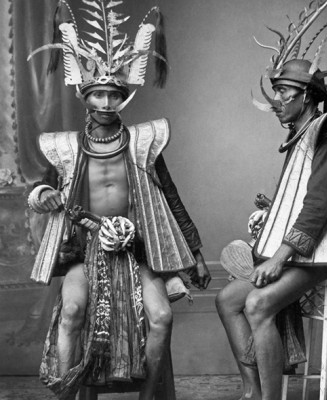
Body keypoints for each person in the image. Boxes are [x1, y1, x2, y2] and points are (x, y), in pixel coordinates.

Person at [27, 2, 210, 400]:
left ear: (123, 97)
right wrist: (45, 196)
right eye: (99, 95)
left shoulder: (144, 143)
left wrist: (194, 250)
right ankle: (66, 395)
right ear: (85, 96)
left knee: (160, 316)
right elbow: (42, 188)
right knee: (74, 312)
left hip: (136, 248)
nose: (107, 104)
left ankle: (148, 398)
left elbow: (171, 196)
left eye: (113, 95)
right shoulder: (67, 148)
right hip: (83, 248)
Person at [215, 2, 327, 399]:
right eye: (276, 92)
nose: (277, 101)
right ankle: (253, 391)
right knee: (226, 300)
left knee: (257, 305)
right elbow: (302, 196)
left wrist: (277, 257)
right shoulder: (302, 133)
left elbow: (321, 203)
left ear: (308, 96)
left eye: (285, 92)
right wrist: (272, 211)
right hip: (304, 251)